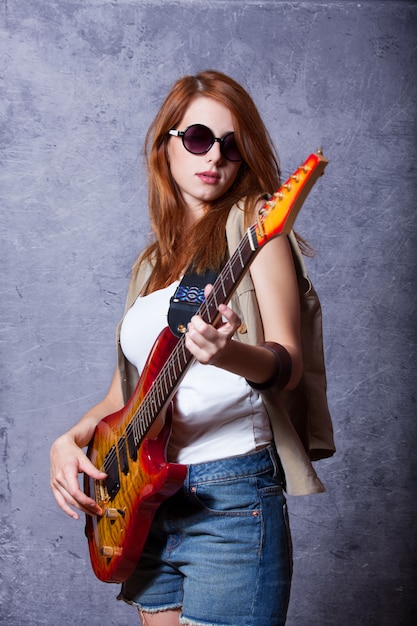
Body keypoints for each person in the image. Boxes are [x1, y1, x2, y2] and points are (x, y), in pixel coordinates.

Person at [50, 69, 327, 626]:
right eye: (199, 139)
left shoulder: (255, 230)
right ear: (166, 147)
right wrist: (68, 440)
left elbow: (287, 364)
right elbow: (121, 398)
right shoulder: (151, 266)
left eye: (232, 145)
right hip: (148, 501)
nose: (215, 157)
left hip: (229, 497)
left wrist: (226, 353)